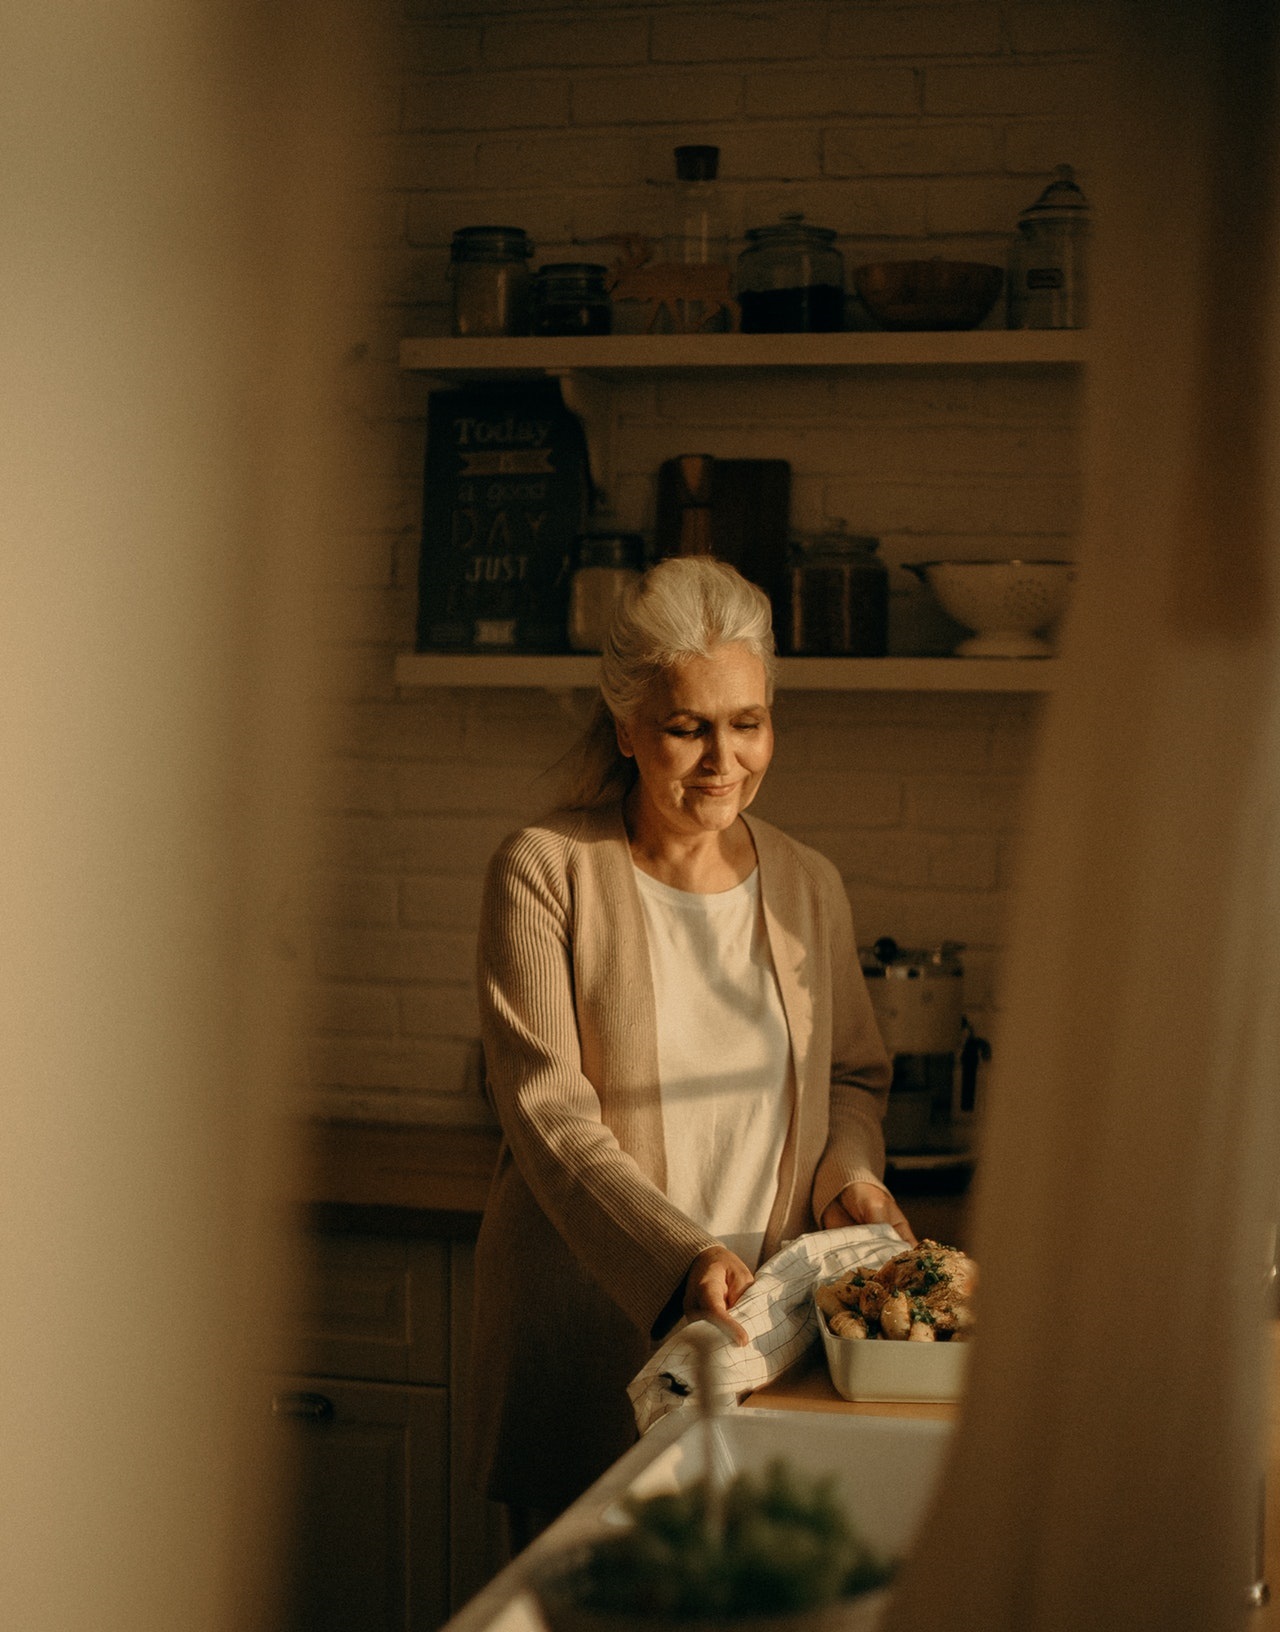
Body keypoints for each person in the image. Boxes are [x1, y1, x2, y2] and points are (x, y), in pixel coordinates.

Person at [467, 555, 914, 1544]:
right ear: (626, 726)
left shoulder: (807, 882)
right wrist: (681, 1261)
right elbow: (546, 1110)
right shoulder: (545, 871)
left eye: (746, 721)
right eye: (686, 726)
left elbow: (848, 1074)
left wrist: (849, 1177)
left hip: (764, 1344)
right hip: (589, 1339)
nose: (723, 758)